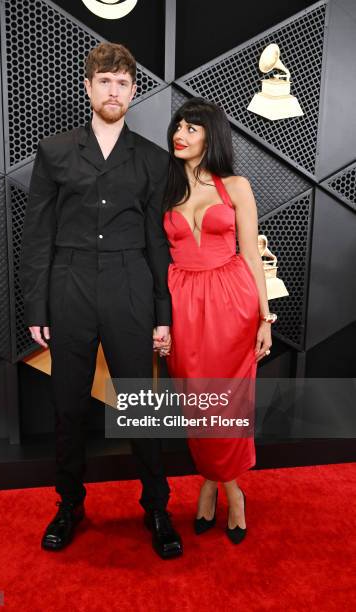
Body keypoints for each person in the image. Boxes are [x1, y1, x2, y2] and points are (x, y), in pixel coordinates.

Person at [19, 42, 183, 559]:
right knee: (68, 407)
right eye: (105, 81)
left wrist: (163, 314)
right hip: (69, 286)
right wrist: (37, 308)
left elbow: (158, 242)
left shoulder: (154, 160)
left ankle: (157, 507)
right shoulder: (55, 151)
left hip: (131, 286)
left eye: (123, 83)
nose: (114, 91)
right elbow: (38, 236)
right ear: (88, 87)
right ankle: (69, 505)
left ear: (133, 92)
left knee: (141, 404)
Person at [162, 98, 274, 544]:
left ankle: (227, 491)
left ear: (212, 136)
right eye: (178, 126)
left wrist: (264, 317)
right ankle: (217, 482)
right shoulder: (164, 188)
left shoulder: (236, 186)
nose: (181, 134)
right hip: (182, 304)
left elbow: (251, 255)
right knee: (196, 405)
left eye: (192, 128)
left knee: (228, 404)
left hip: (232, 304)